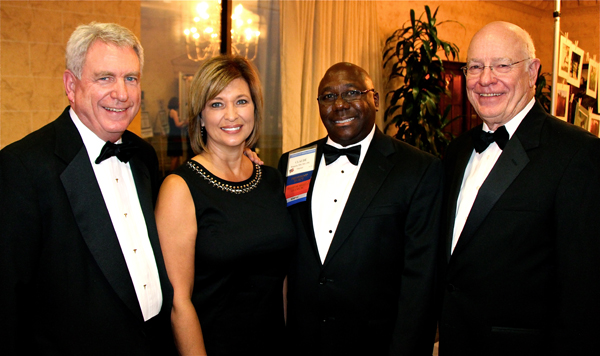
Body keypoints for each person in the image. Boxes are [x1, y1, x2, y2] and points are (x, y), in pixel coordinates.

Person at [0, 22, 174, 355]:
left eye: (131, 78)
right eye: (105, 78)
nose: (121, 93)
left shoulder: (143, 157)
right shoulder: (23, 167)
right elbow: (8, 298)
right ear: (71, 85)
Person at [439, 21, 600, 356]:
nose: (486, 79)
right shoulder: (456, 151)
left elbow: (584, 290)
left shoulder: (576, 153)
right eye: (476, 67)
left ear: (532, 71)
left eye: (501, 65)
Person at [278, 62, 442, 356]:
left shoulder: (417, 169)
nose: (339, 105)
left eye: (352, 93)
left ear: (375, 100)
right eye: (328, 97)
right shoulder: (292, 163)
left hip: (375, 344)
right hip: (304, 342)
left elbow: (421, 280)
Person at [155, 55, 296, 356]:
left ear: (255, 108)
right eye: (217, 104)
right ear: (201, 116)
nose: (231, 115)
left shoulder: (272, 180)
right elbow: (179, 303)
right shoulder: (180, 189)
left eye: (241, 101)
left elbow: (281, 280)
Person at [166, 96, 187, 171]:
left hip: (172, 134)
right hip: (175, 135)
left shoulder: (170, 111)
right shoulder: (174, 112)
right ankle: (172, 173)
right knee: (175, 156)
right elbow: (177, 124)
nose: (179, 103)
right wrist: (185, 122)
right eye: (178, 102)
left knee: (174, 156)